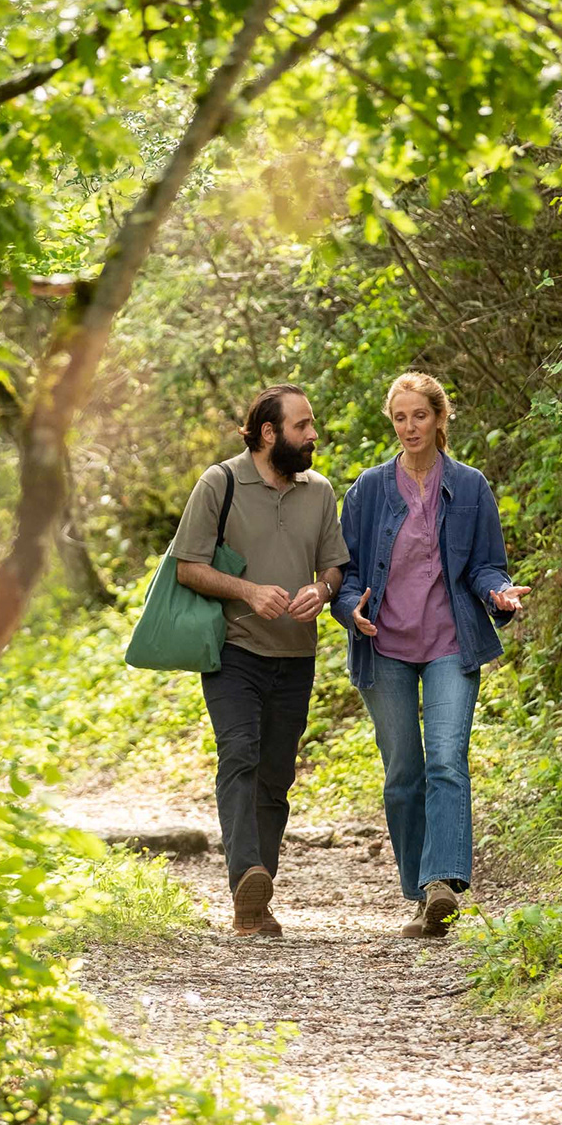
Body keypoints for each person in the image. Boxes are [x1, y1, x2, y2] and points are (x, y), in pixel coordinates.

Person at [332, 372, 529, 938]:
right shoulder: (368, 490)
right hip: (384, 644)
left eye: (420, 415)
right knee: (403, 773)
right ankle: (420, 892)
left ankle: (442, 882)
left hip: (450, 640)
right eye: (400, 417)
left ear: (440, 419)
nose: (410, 426)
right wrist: (351, 610)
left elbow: (486, 564)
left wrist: (499, 592)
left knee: (446, 758)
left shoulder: (469, 487)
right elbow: (344, 576)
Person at [172, 385, 350, 937]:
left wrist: (321, 592)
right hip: (234, 650)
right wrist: (248, 593)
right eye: (302, 426)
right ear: (269, 433)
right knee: (240, 756)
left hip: (296, 657)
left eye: (312, 424)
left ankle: (258, 891)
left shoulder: (319, 492)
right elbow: (187, 566)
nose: (313, 435)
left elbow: (334, 568)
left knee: (275, 778)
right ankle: (245, 880)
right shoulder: (219, 483)